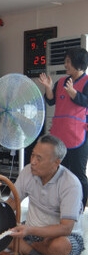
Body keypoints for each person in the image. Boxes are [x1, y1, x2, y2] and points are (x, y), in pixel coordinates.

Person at [6, 134, 85, 255]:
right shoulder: (27, 172)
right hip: (31, 231)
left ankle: (28, 249)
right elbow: (11, 203)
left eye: (39, 158)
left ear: (56, 162)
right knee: (2, 233)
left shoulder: (71, 184)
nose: (33, 162)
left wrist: (30, 230)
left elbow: (66, 228)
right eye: (32, 155)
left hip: (62, 236)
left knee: (60, 247)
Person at [39, 47, 88, 208]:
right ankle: (61, 205)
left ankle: (79, 207)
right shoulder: (61, 81)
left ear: (78, 63)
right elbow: (52, 100)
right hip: (59, 136)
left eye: (68, 61)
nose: (65, 64)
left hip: (77, 136)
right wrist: (47, 86)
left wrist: (74, 93)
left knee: (78, 174)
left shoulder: (86, 82)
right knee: (59, 173)